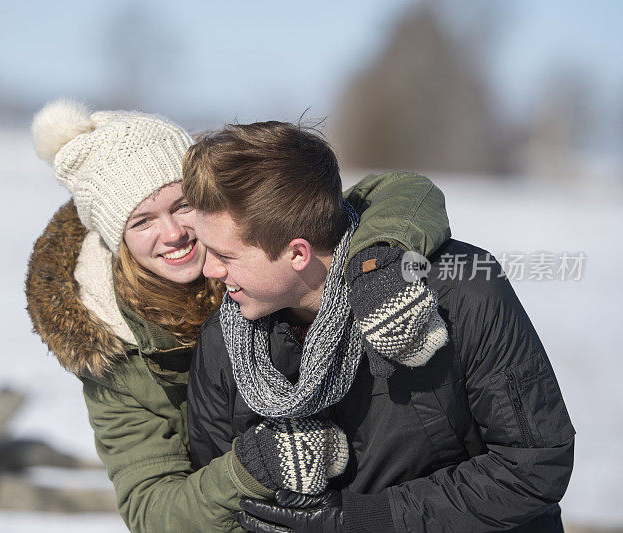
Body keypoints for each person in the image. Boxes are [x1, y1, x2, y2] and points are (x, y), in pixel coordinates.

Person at [25, 100, 451, 532]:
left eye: (182, 205)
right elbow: (151, 509)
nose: (172, 234)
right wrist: (251, 469)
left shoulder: (258, 240)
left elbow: (400, 192)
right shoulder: (114, 346)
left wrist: (375, 264)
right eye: (141, 222)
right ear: (117, 238)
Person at [184, 121, 575, 532]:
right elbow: (220, 494)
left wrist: (366, 521)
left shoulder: (461, 293)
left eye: (225, 255)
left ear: (297, 253)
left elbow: (534, 467)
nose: (208, 270)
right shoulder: (224, 342)